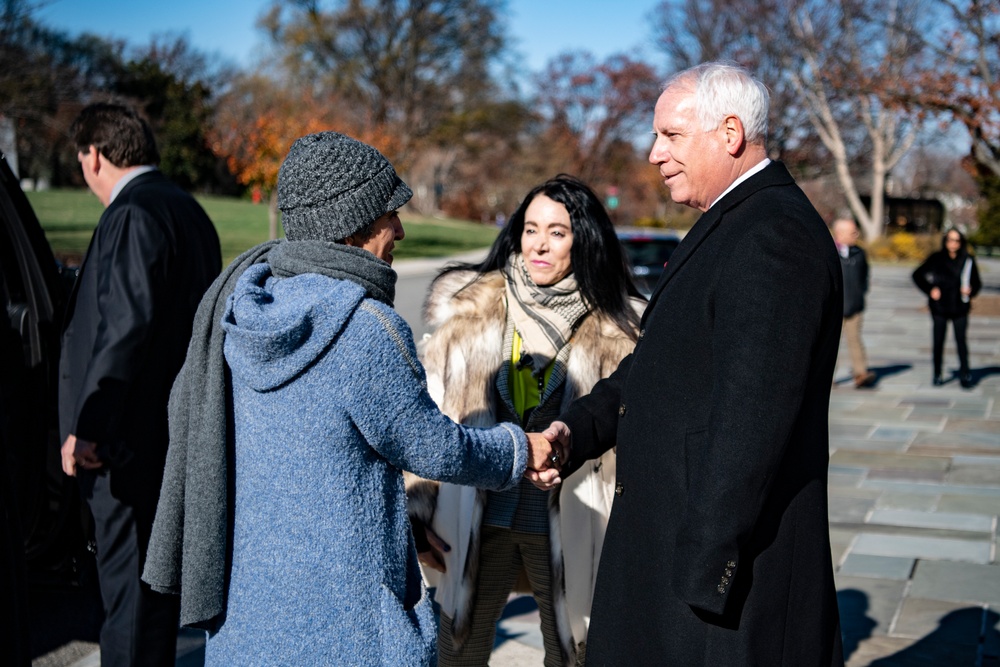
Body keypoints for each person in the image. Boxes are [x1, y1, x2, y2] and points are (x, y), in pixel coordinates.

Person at [141, 131, 563, 665]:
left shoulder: (239, 312)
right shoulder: (365, 328)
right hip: (349, 623)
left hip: (252, 616)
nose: (402, 230)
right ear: (355, 226)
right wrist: (520, 449)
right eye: (391, 214)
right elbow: (435, 450)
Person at [534, 62, 845, 665]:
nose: (653, 154)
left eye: (670, 136)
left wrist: (703, 573)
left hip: (717, 595)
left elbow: (752, 420)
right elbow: (656, 369)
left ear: (729, 134)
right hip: (670, 565)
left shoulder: (771, 235)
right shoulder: (731, 222)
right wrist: (576, 432)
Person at [406, 175, 645, 666]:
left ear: (584, 240)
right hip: (472, 517)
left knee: (575, 653)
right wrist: (416, 509)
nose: (539, 244)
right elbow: (429, 416)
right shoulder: (468, 312)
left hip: (574, 522)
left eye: (557, 232)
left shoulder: (621, 328)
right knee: (454, 651)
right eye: (531, 229)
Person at [58, 102, 221, 666]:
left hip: (125, 448)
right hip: (174, 437)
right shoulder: (190, 212)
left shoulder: (132, 213)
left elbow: (125, 326)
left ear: (95, 155)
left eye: (81, 160)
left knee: (127, 602)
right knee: (153, 600)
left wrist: (91, 429)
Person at [912, 228, 982, 387]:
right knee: (938, 341)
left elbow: (977, 283)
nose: (953, 243)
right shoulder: (937, 258)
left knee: (961, 341)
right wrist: (930, 289)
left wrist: (970, 290)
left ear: (961, 242)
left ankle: (965, 373)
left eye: (957, 240)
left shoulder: (967, 259)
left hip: (960, 307)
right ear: (945, 241)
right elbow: (917, 275)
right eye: (950, 240)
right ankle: (937, 373)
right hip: (940, 307)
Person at [833, 217, 876, 388]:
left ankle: (861, 374)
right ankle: (826, 377)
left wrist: (861, 293)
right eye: (852, 232)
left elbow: (865, 276)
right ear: (840, 234)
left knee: (855, 340)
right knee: (831, 344)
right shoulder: (828, 251)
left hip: (855, 306)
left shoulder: (859, 252)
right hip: (834, 308)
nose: (856, 235)